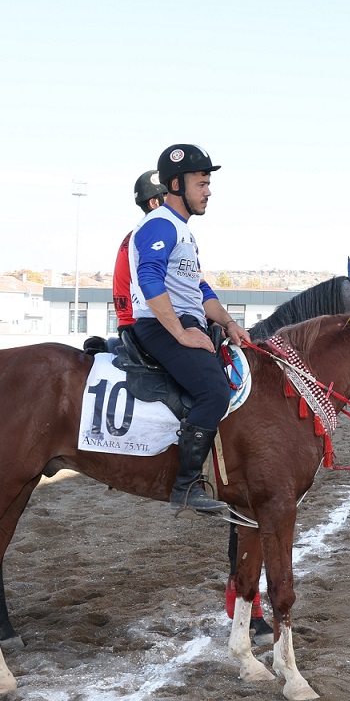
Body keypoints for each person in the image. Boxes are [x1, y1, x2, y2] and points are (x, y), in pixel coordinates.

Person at [128, 144, 251, 515]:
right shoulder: (161, 224)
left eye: (208, 183)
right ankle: (185, 486)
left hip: (185, 321)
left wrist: (228, 323)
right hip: (161, 326)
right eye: (202, 183)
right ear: (177, 184)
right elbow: (149, 278)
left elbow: (200, 290)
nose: (208, 191)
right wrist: (181, 333)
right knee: (214, 392)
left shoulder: (183, 232)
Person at [111, 170, 167, 330]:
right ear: (155, 203)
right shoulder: (155, 236)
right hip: (147, 325)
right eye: (170, 196)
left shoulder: (136, 234)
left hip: (133, 323)